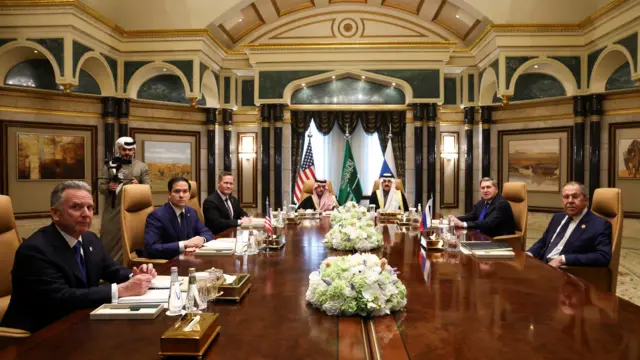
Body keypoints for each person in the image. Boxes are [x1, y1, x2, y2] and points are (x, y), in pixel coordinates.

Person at [1, 181, 156, 333]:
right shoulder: (35, 250)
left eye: (90, 208)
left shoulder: (90, 239)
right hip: (37, 334)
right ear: (55, 213)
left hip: (78, 322)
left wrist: (134, 274)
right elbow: (62, 298)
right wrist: (121, 290)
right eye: (76, 207)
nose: (86, 214)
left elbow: (111, 269)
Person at [526, 182, 611, 268]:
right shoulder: (558, 217)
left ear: (586, 200)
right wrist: (529, 253)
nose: (570, 201)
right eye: (566, 197)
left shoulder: (599, 224)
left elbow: (603, 257)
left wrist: (564, 259)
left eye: (575, 197)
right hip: (543, 266)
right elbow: (544, 241)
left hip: (565, 272)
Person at [98, 137, 150, 264]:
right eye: (124, 149)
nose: (127, 152)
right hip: (113, 210)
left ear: (134, 151)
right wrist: (109, 187)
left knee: (134, 239)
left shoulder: (142, 167)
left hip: (134, 211)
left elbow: (148, 188)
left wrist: (139, 186)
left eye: (130, 150)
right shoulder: (109, 166)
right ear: (119, 150)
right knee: (109, 239)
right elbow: (100, 186)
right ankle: (108, 270)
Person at [144, 177, 214, 260]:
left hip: (190, 259)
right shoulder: (157, 216)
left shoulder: (191, 212)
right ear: (169, 194)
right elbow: (152, 248)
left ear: (189, 195)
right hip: (169, 263)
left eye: (185, 191)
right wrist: (184, 244)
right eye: (177, 191)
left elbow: (207, 233)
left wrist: (201, 239)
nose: (181, 195)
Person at [448, 177, 516, 237]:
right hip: (481, 237)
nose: (485, 190)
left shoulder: (502, 204)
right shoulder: (481, 202)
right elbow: (471, 216)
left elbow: (488, 223)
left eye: (488, 187)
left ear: (496, 190)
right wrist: (454, 219)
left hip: (497, 241)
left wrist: (463, 224)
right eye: (482, 188)